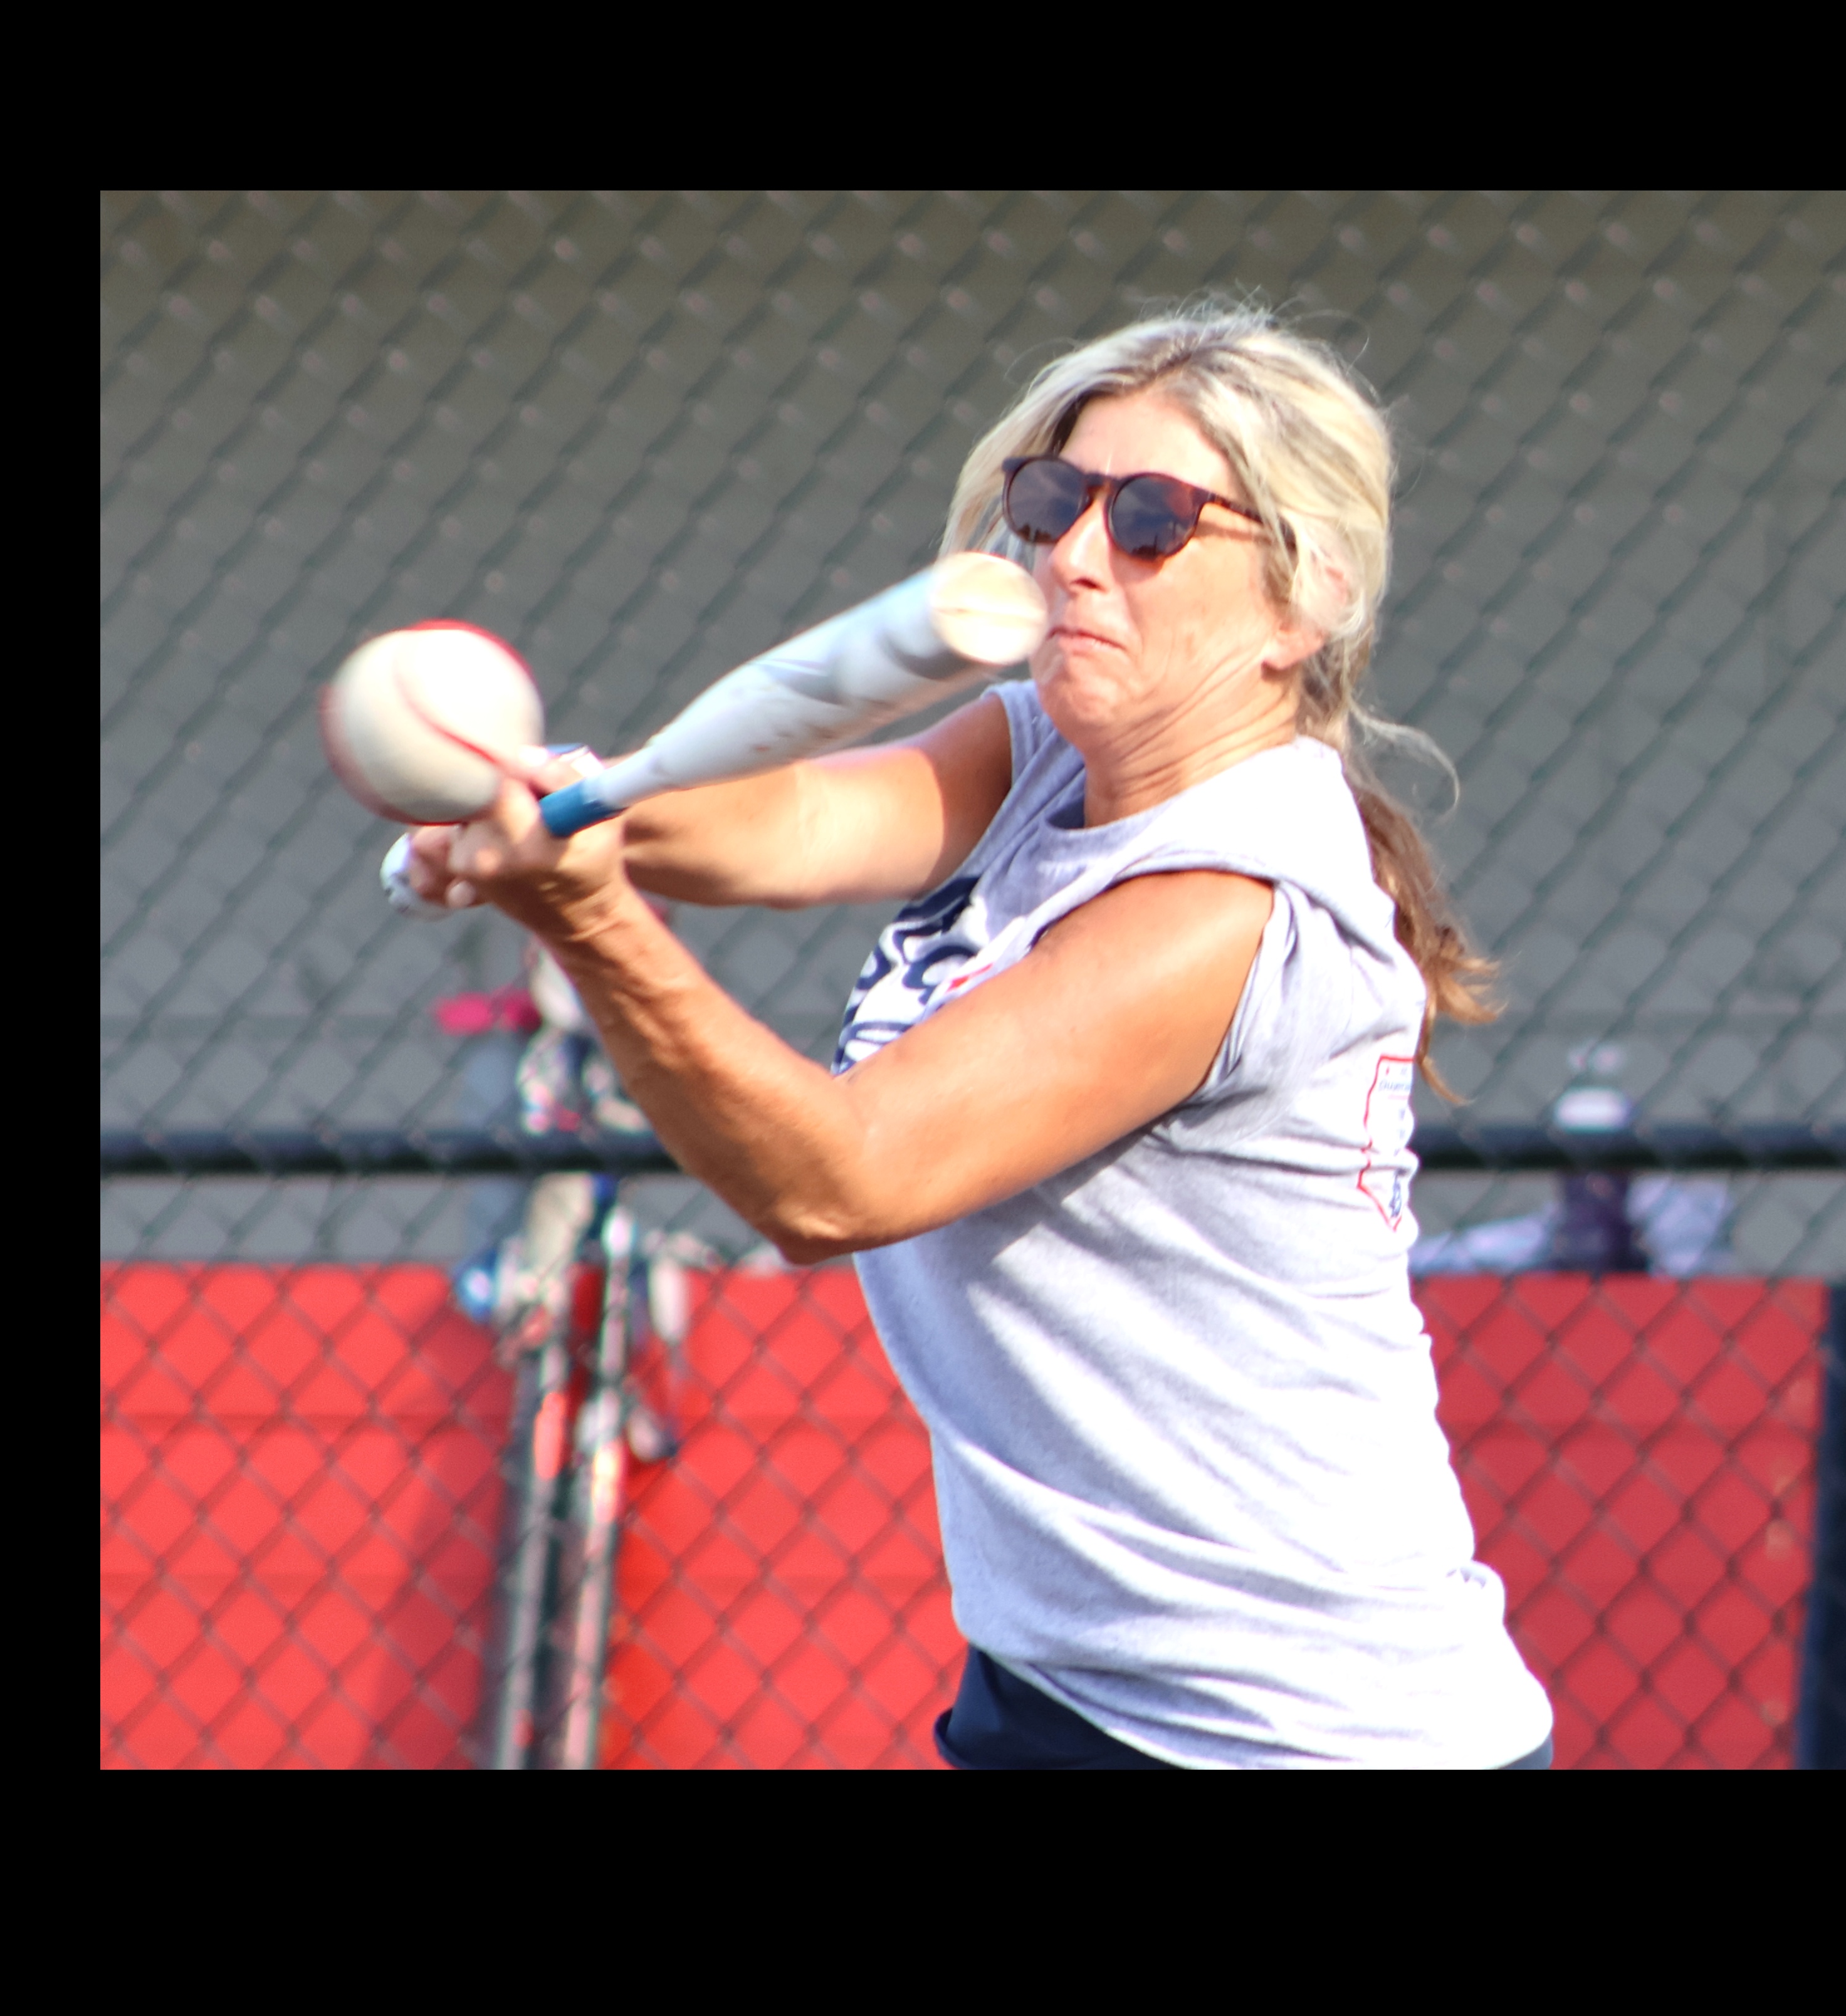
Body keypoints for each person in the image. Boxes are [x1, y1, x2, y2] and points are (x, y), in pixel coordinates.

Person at [403, 306, 1551, 1770]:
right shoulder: (1046, 749)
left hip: (1299, 1731)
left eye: (1153, 520)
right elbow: (796, 819)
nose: (1076, 554)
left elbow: (841, 1180)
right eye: (1055, 500)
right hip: (1069, 1686)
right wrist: (562, 799)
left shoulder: (1229, 904)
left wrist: (584, 915)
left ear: (1302, 602)